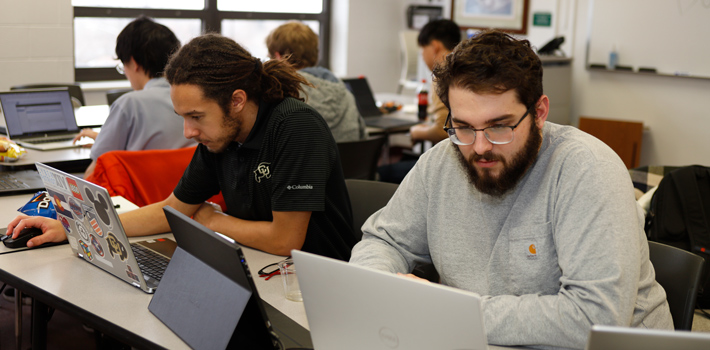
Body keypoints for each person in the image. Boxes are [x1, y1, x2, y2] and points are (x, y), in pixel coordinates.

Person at [350, 30, 673, 348]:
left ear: (539, 112)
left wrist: (445, 310)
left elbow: (594, 318)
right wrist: (381, 284)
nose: (479, 147)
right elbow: (385, 240)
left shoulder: (587, 170)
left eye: (499, 126)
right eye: (462, 126)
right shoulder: (441, 163)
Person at [8, 33, 357, 260]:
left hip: (314, 283)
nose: (188, 132)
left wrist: (212, 220)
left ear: (237, 100)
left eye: (196, 116)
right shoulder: (219, 136)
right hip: (259, 264)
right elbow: (173, 209)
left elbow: (285, 241)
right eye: (182, 117)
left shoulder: (295, 126)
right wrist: (76, 227)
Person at [74, 16, 195, 178]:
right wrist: (102, 138)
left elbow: (94, 174)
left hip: (140, 200)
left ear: (133, 62)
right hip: (190, 197)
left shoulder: (129, 104)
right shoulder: (194, 100)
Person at [377, 19, 461, 183]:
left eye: (422, 50)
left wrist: (417, 132)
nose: (422, 57)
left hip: (448, 165)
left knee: (382, 172)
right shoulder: (464, 70)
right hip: (460, 161)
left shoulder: (442, 75)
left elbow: (443, 131)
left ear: (435, 46)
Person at [266, 21, 367, 142]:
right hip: (347, 160)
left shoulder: (280, 94)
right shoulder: (345, 93)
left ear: (278, 57)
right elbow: (363, 138)